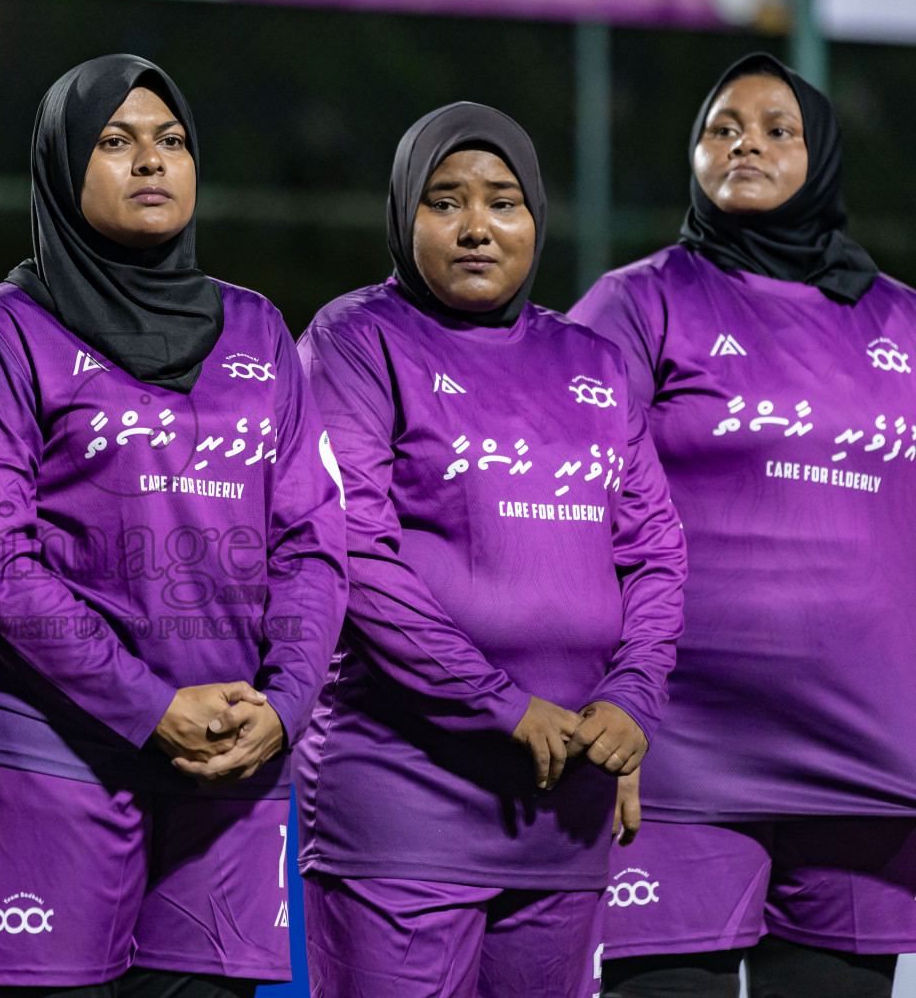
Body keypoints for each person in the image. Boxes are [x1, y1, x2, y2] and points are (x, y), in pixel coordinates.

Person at [0, 54, 346, 997]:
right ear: (63, 168)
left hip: (227, 761)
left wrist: (282, 707)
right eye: (115, 143)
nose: (150, 161)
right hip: (47, 754)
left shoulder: (257, 330)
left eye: (170, 141)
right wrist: (149, 705)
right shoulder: (3, 332)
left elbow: (313, 543)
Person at [294, 102, 687, 998]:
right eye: (445, 201)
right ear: (404, 214)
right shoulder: (357, 342)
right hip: (403, 802)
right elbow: (358, 553)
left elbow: (655, 551)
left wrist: (634, 694)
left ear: (537, 220)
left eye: (503, 201)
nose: (477, 226)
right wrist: (498, 702)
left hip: (566, 805)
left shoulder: (596, 363)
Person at [570, 53, 916, 998]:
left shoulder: (903, 324)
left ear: (824, 156)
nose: (745, 145)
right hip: (680, 754)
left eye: (776, 130)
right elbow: (569, 510)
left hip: (866, 768)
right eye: (722, 127)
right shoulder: (640, 303)